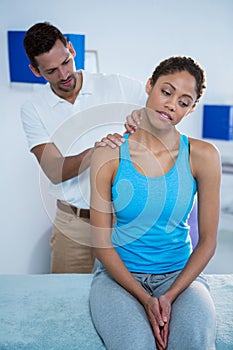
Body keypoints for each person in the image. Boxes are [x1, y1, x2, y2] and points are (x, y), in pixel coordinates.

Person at [89, 56, 221, 350]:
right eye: (166, 91)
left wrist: (170, 295)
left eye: (184, 101)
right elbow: (100, 243)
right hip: (118, 278)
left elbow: (209, 241)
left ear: (191, 109)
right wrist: (146, 299)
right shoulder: (109, 154)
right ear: (149, 85)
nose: (172, 104)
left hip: (179, 276)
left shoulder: (203, 156)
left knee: (194, 344)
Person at [21, 21, 147, 274]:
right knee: (65, 301)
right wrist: (96, 152)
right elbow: (54, 171)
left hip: (122, 221)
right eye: (51, 71)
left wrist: (145, 121)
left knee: (124, 298)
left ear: (71, 49)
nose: (64, 75)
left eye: (66, 62)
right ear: (36, 71)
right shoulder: (33, 109)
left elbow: (164, 110)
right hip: (72, 223)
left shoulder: (117, 85)